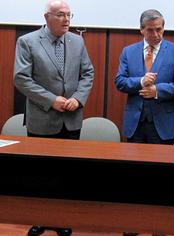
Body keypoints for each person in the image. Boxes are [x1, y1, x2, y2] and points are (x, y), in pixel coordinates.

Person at [13, 0, 94, 235]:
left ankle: (62, 219)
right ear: (47, 17)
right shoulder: (27, 41)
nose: (67, 19)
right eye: (61, 15)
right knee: (41, 176)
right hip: (43, 118)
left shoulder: (77, 41)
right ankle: (40, 219)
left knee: (67, 175)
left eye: (69, 14)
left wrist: (78, 99)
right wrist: (51, 100)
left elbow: (88, 72)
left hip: (72, 118)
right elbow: (21, 78)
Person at [115, 9, 174, 145]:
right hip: (135, 124)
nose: (156, 34)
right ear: (141, 30)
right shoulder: (128, 51)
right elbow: (120, 81)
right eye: (150, 30)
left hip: (163, 124)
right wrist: (141, 81)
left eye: (159, 29)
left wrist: (157, 91)